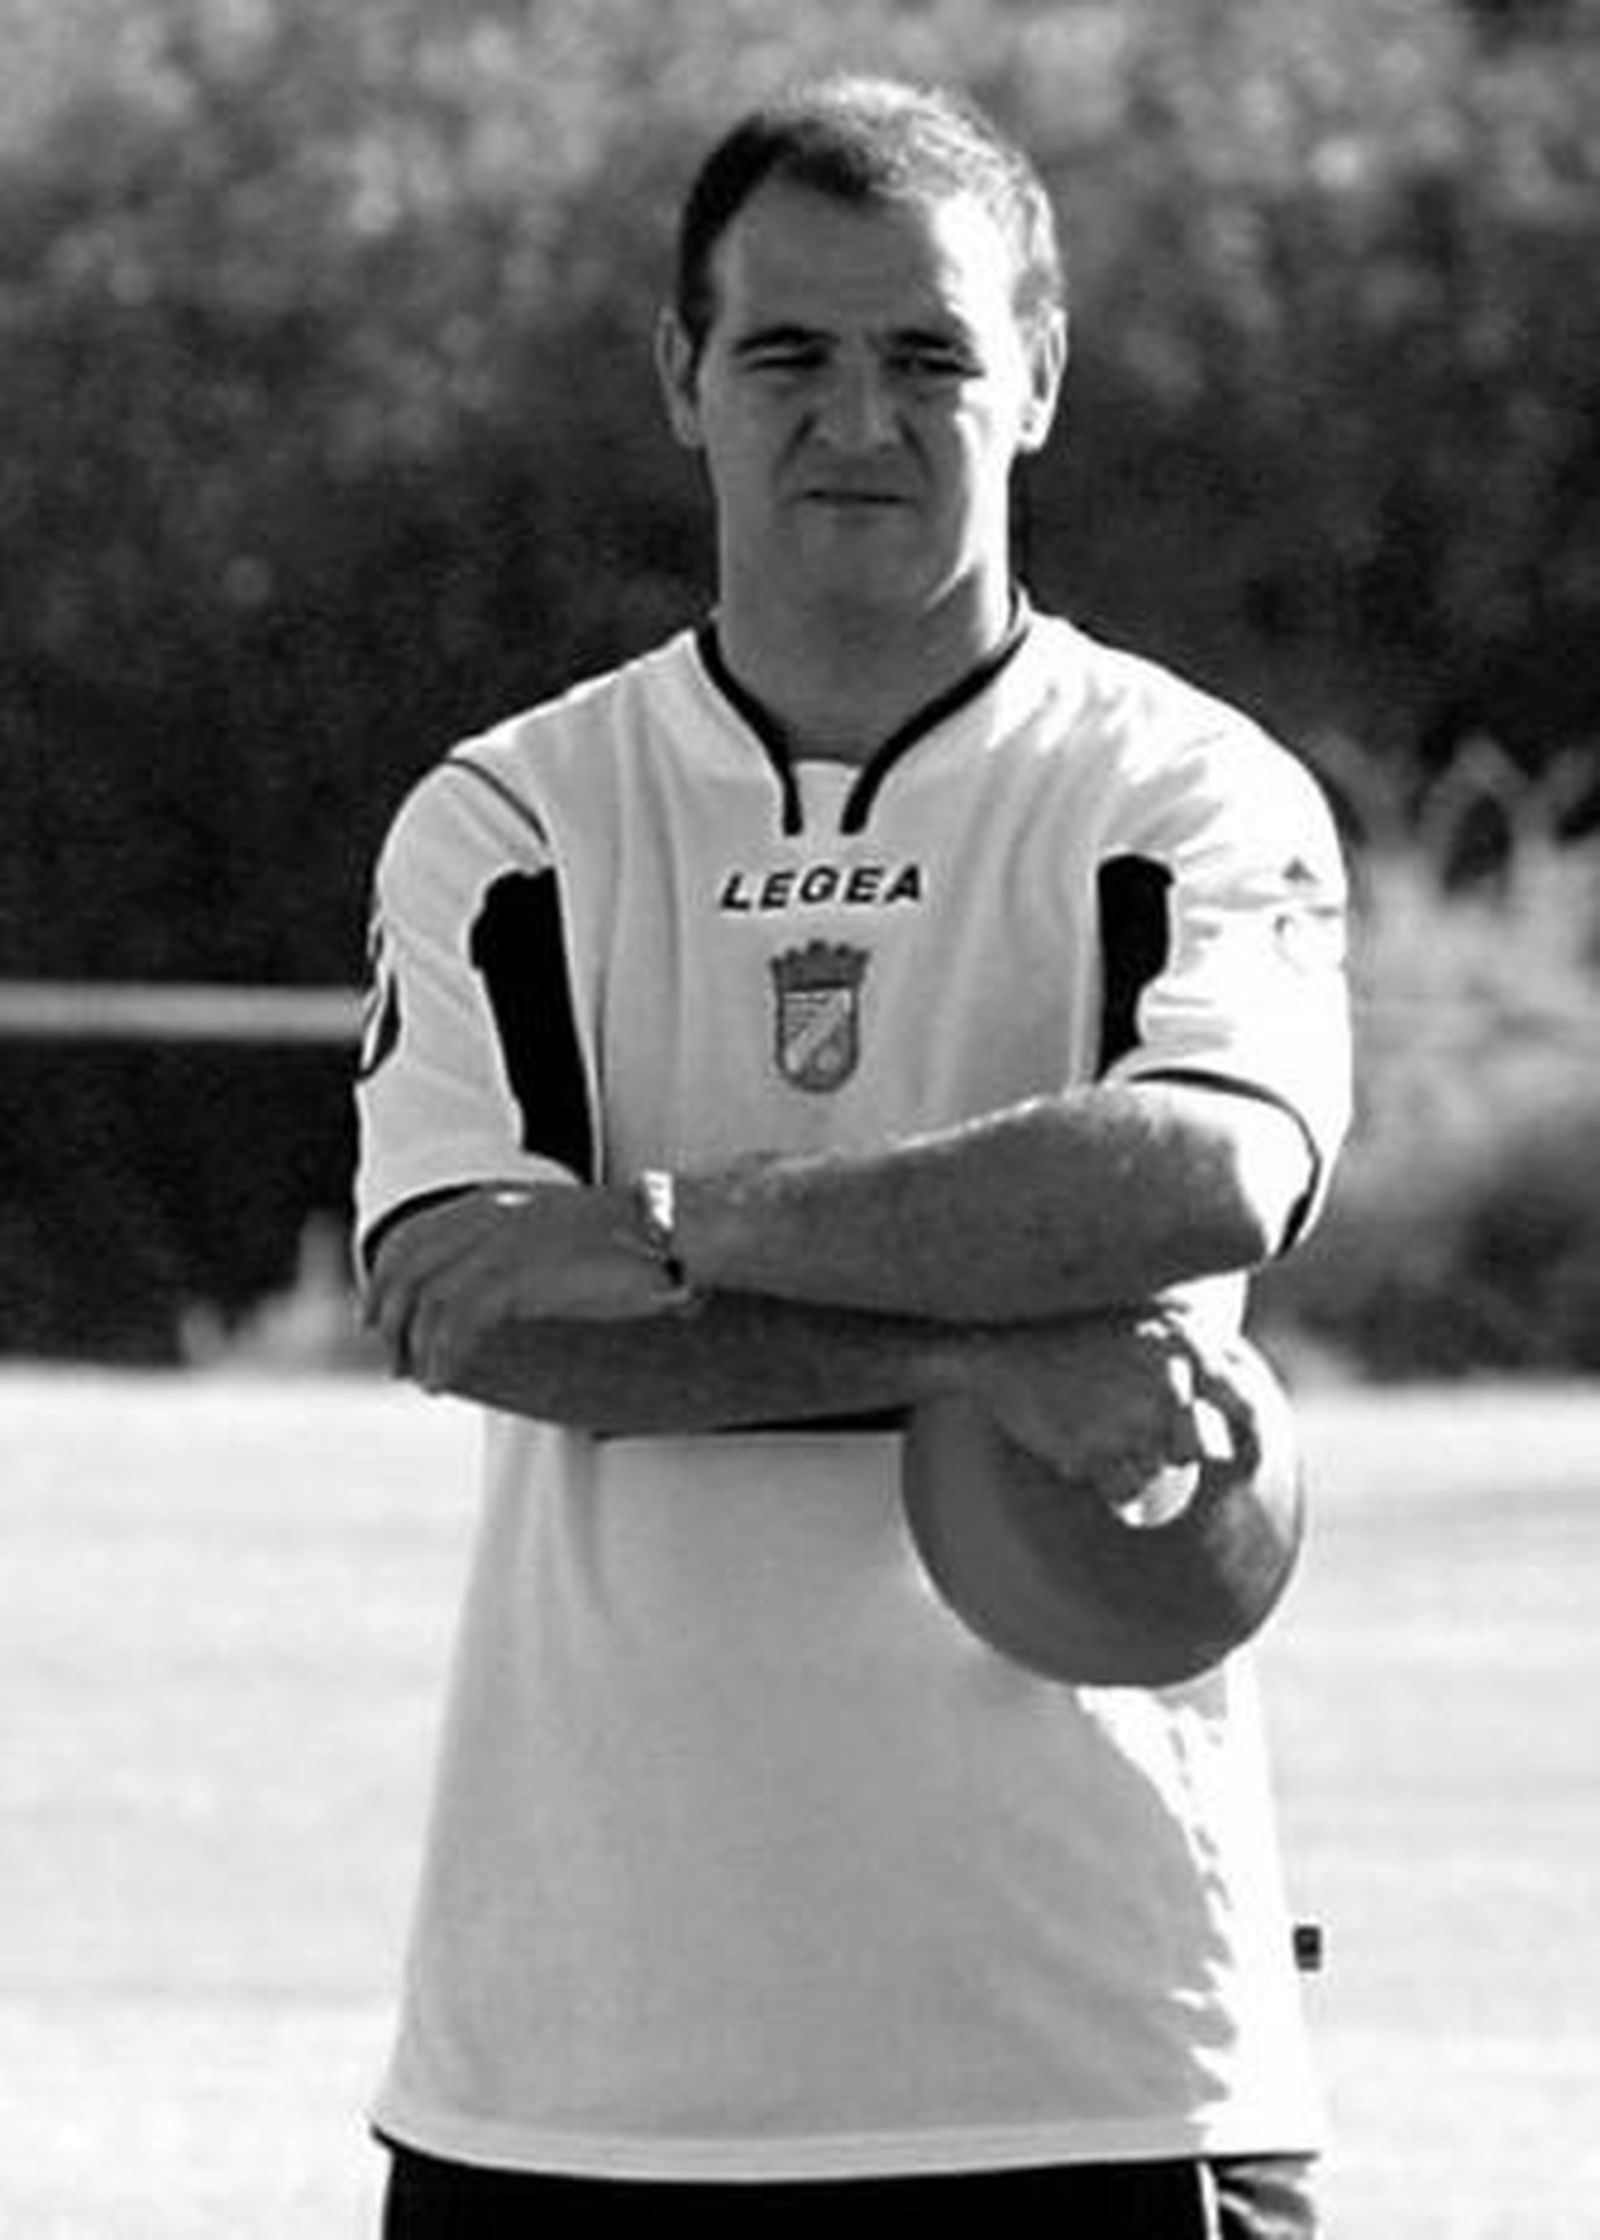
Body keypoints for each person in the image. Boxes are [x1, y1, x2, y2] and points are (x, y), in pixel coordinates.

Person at [355, 74, 1351, 2238]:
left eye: (930, 356)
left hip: (1097, 2060)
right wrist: (978, 1354)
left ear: (1039, 378)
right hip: (578, 2073)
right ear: (681, 378)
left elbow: (1198, 1173)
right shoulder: (513, 820)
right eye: (789, 354)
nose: (859, 421)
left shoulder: (1185, 790)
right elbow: (473, 1311)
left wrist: (669, 1231)